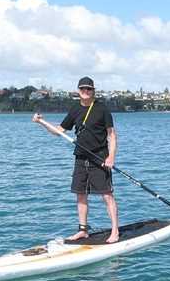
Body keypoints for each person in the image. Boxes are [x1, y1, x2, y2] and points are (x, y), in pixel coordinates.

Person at [32, 76, 120, 243]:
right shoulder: (74, 110)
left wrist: (111, 157)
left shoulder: (102, 109)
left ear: (93, 91)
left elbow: (112, 135)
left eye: (89, 89)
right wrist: (41, 122)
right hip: (80, 157)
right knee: (80, 195)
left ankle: (115, 230)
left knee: (107, 195)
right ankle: (83, 230)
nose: (85, 91)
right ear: (78, 91)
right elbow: (59, 131)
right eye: (82, 89)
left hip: (99, 158)